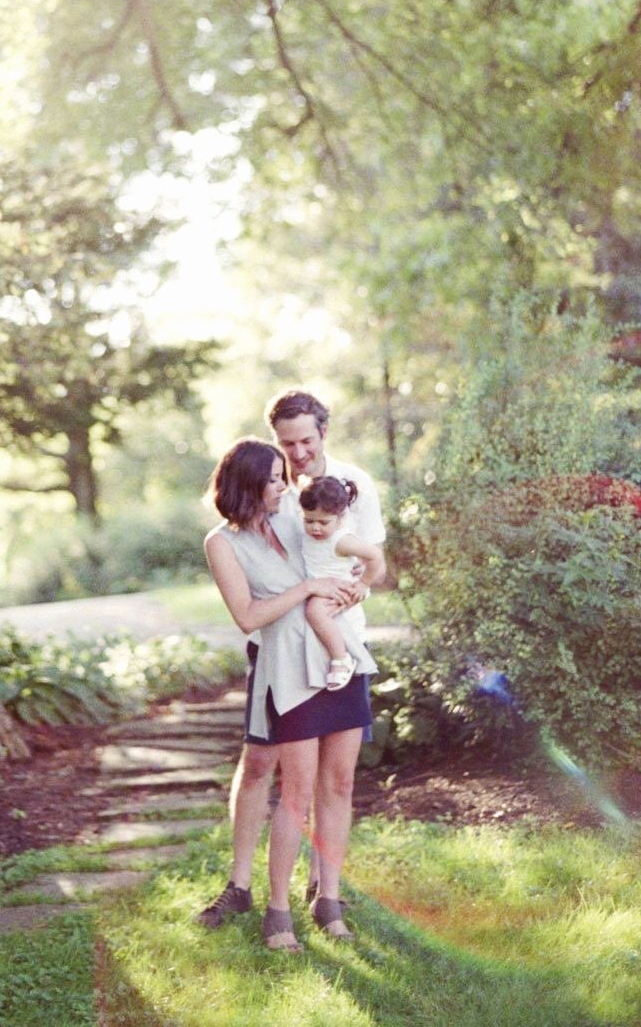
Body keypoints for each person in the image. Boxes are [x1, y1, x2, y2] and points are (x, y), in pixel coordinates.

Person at [197, 389, 390, 929]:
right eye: (278, 472)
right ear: (250, 485)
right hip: (282, 666)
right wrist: (309, 588)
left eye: (294, 461)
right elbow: (249, 615)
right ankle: (248, 891)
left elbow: (353, 557)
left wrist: (356, 586)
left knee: (339, 783)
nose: (289, 481)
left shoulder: (297, 514)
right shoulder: (224, 541)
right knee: (275, 775)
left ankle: (326, 895)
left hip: (337, 654)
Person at [300, 475, 385, 691]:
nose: (316, 528)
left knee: (314, 611)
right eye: (309, 521)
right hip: (321, 586)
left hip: (338, 588)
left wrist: (363, 583)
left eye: (323, 522)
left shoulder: (341, 540)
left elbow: (375, 555)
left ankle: (341, 659)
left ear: (340, 518)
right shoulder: (310, 535)